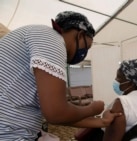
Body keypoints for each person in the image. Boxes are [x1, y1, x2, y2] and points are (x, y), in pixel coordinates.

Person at [0, 11, 121, 140]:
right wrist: (92, 109)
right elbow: (56, 113)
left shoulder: (36, 36)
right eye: (87, 47)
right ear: (80, 35)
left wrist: (101, 122)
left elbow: (54, 113)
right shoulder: (51, 39)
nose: (84, 53)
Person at [103, 59, 137, 141]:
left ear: (131, 83)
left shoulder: (122, 103)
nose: (115, 80)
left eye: (119, 77)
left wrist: (105, 116)